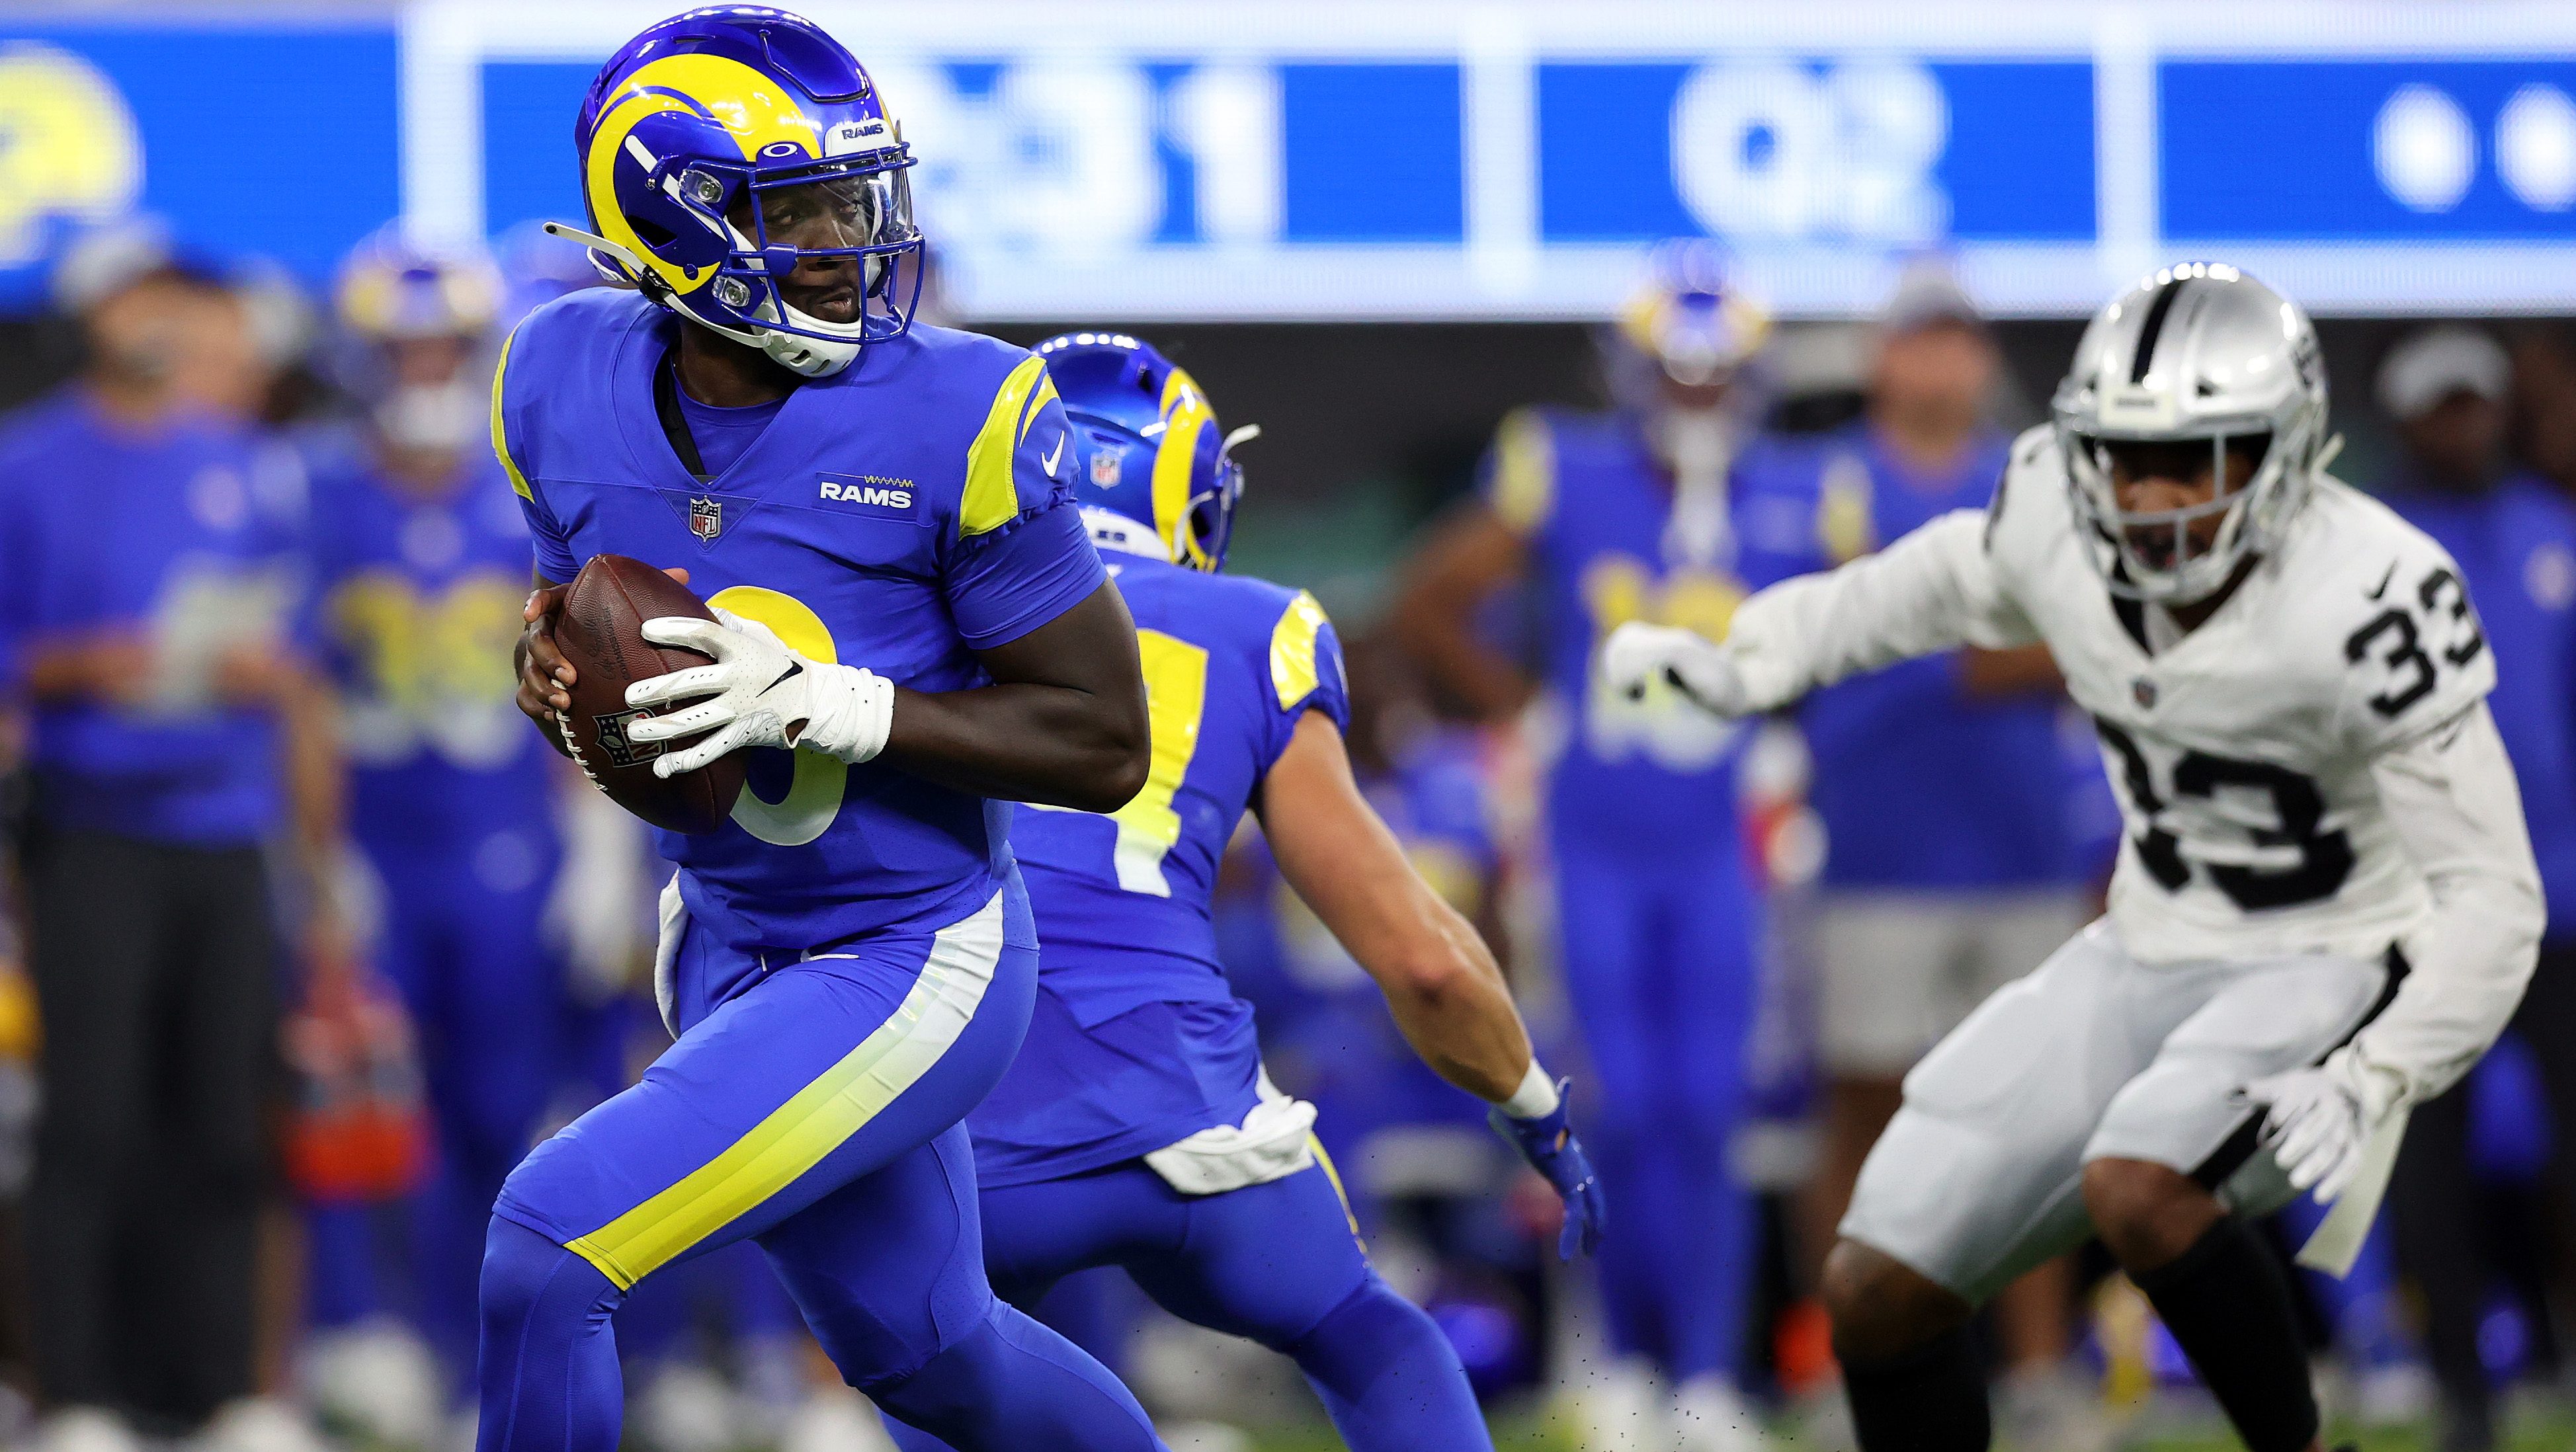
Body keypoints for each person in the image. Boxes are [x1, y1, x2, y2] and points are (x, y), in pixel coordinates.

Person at [1604, 262, 2542, 1452]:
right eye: (2122, 455)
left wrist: (2379, 1069)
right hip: (2156, 939)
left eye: (2193, 460)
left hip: (2333, 946)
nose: (2147, 495)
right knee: (1876, 1284)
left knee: (2141, 1186)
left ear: (2286, 452)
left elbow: (2494, 896)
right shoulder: (2058, 509)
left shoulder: (2374, 596)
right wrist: (1757, 654)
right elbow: (1935, 581)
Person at [490, 11, 1162, 1451]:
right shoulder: (553, 378)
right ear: (672, 217)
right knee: (938, 1364)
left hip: (911, 945)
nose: (847, 241)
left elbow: (1106, 743)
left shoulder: (961, 409)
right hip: (728, 933)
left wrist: (834, 706)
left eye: (857, 200)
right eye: (796, 209)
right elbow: (574, 620)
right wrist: (545, 672)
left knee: (551, 1245)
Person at [877, 333, 1604, 1452]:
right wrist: (1534, 1107)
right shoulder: (1251, 627)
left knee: (952, 1376)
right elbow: (1418, 954)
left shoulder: (900, 616)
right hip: (1188, 1119)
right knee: (1373, 1334)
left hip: (965, 1117)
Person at [1393, 242, 1826, 1447]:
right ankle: (1625, 1364)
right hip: (1594, 844)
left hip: (1717, 848)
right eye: (1678, 377)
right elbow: (1427, 598)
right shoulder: (1564, 468)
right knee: (1619, 1106)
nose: (1697, 399)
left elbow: (1884, 631)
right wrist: (1522, 712)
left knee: (1711, 1113)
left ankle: (1708, 1374)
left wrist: (1801, 731)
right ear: (1635, 371)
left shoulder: (1801, 494)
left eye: (1714, 376)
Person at [0, 226, 335, 1452]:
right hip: (92, 830)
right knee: (90, 1117)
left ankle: (217, 1392)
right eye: (138, 298)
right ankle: (79, 1395)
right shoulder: (26, 466)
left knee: (223, 1111)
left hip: (223, 824)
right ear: (96, 318)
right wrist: (81, 665)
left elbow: (297, 668)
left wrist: (316, 845)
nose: (160, 321)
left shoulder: (244, 463)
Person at [1781, 268, 2104, 1443]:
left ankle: (2034, 1376)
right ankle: (1842, 1372)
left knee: (2034, 1122)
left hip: (2020, 845)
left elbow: (2098, 631)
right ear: (1884, 359)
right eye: (1919, 340)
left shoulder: (2033, 482)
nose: (1940, 364)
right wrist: (2004, 650)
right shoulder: (1823, 485)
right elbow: (1859, 650)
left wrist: (1970, 652)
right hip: (1876, 849)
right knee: (1864, 1115)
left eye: (1959, 340)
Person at [298, 233, 575, 1434]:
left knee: (500, 1106)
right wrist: (316, 862)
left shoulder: (534, 492)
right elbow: (294, 695)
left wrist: (603, 843)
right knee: (358, 1107)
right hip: (375, 844)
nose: (422, 367)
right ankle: (358, 1335)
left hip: (508, 841)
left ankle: (480, 1354)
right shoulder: (311, 491)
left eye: (443, 345)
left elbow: (589, 682)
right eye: (400, 347)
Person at [2368, 324, 2576, 1452]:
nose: (2466, 426)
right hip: (2422, 905)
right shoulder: (2369, 555)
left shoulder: (2556, 537)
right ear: (2405, 421)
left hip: (2560, 896)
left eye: (2477, 404)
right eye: (2442, 408)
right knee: (2428, 1159)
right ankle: (2461, 1383)